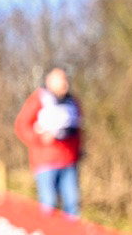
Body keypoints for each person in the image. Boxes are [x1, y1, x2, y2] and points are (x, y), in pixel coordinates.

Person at [14, 66, 84, 217]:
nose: (65, 83)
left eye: (65, 79)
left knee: (72, 204)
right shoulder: (39, 99)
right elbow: (21, 125)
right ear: (49, 81)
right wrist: (39, 138)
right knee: (48, 204)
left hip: (69, 160)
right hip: (45, 161)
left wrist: (79, 150)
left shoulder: (73, 102)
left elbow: (78, 129)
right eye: (60, 80)